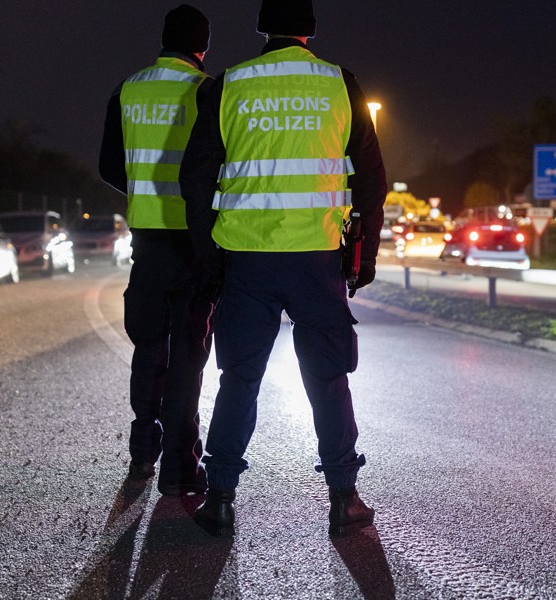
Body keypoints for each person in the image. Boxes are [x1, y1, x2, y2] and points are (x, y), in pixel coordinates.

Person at [179, 0, 388, 536]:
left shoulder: (228, 83)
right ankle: (345, 497)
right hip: (318, 258)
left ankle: (220, 498)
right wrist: (365, 255)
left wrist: (209, 255)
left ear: (263, 28)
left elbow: (196, 178)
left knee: (240, 378)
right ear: (310, 31)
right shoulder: (341, 83)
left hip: (245, 259)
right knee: (327, 377)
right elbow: (371, 177)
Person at [98, 4, 215, 496]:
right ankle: (181, 467)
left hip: (146, 239)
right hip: (191, 242)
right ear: (201, 47)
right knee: (189, 353)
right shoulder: (207, 91)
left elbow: (108, 166)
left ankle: (142, 452)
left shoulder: (127, 89)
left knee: (149, 346)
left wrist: (145, 190)